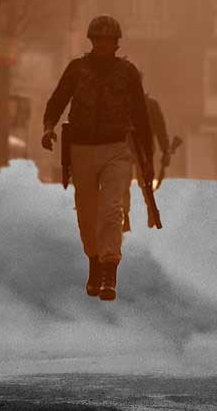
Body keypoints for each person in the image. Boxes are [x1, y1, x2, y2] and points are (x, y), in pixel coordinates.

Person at [41, 15, 153, 301]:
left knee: (112, 210)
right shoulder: (77, 69)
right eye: (98, 40)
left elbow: (140, 115)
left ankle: (110, 269)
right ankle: (93, 262)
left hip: (116, 149)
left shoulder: (128, 73)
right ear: (92, 42)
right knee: (87, 213)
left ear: (116, 44)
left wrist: (147, 155)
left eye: (108, 41)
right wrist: (48, 127)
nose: (103, 46)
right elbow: (58, 99)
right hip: (81, 149)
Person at [123, 88, 170, 232]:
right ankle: (130, 214)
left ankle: (147, 210)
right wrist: (165, 149)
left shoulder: (148, 105)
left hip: (142, 149)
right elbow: (161, 129)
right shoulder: (147, 104)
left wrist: (165, 149)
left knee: (141, 182)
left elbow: (160, 129)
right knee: (132, 183)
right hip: (130, 147)